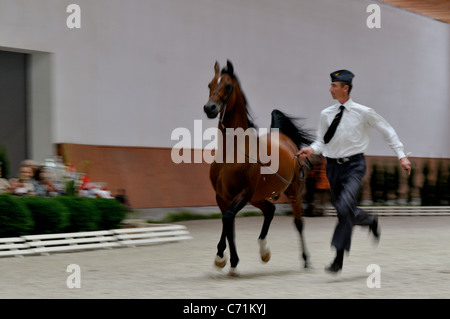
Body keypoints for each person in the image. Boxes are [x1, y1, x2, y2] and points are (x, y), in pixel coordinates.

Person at [297, 69, 411, 274]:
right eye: (331, 85)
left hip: (354, 166)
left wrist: (401, 155)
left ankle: (337, 260)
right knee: (344, 210)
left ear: (345, 88)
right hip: (332, 167)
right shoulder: (326, 114)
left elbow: (388, 131)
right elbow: (322, 141)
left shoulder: (364, 112)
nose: (330, 89)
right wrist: (311, 149)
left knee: (344, 206)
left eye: (334, 86)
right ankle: (369, 220)